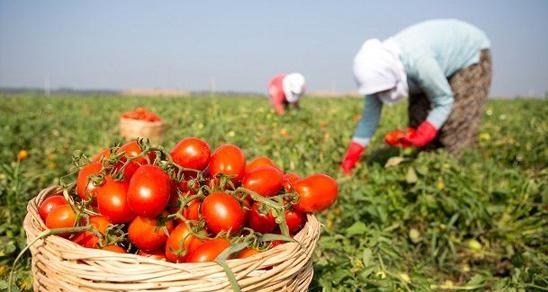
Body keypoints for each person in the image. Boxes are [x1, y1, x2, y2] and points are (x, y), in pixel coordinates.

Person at [340, 19, 492, 175]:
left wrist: (428, 129)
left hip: (470, 53)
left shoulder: (419, 63)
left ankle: (452, 171)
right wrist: (352, 155)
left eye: (384, 90)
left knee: (457, 121)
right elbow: (368, 119)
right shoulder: (376, 74)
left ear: (393, 78)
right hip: (434, 61)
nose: (380, 95)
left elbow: (444, 101)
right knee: (418, 116)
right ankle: (427, 164)